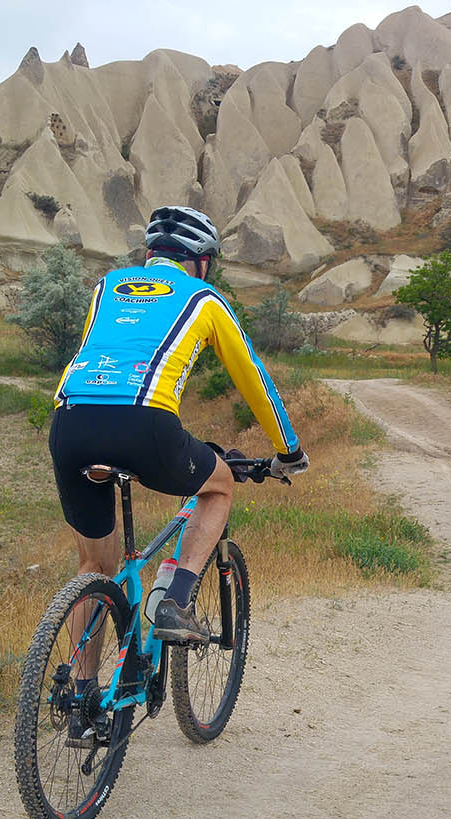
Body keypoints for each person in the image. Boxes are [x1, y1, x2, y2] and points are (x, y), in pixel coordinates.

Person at [49, 205, 308, 649]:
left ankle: (82, 699)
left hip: (70, 423)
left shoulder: (105, 286)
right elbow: (252, 377)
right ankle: (175, 603)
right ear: (202, 261)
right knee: (220, 485)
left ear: (152, 253)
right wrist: (289, 451)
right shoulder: (203, 298)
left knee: (94, 567)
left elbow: (90, 351)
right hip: (143, 422)